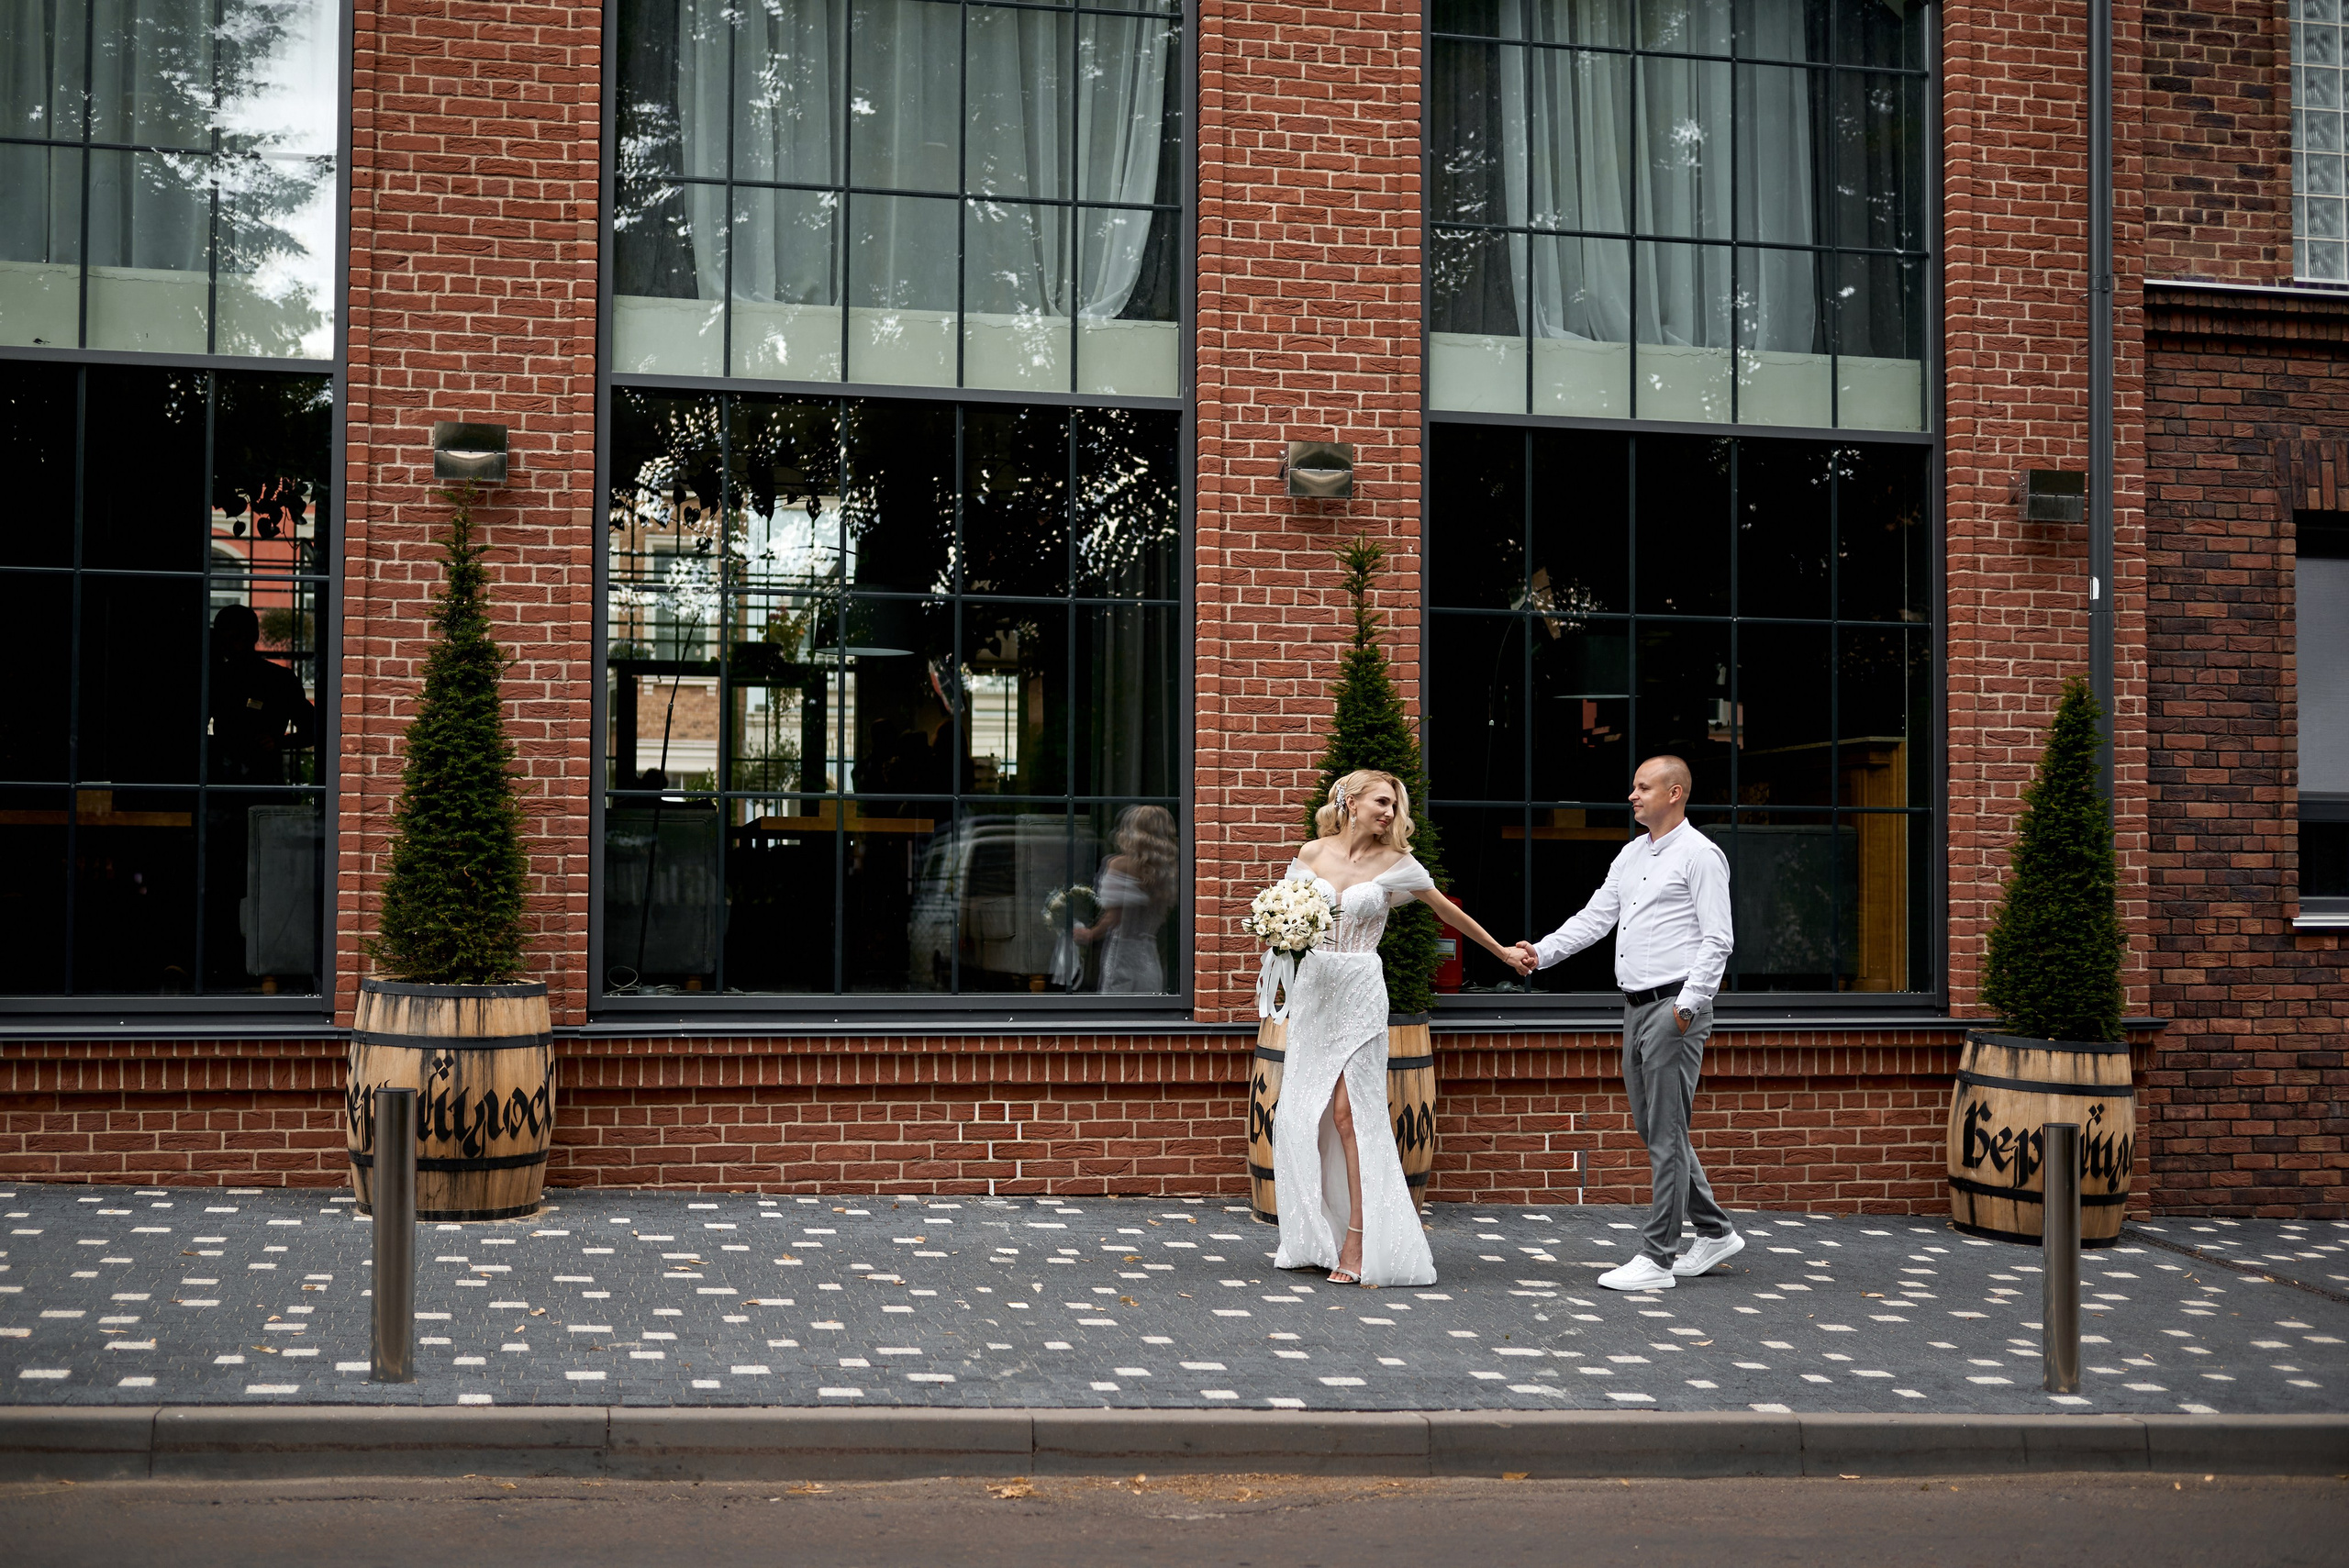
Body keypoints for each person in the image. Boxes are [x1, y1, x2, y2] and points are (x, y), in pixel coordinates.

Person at [1274, 769, 1532, 1286]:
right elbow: (1284, 919)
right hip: (1315, 991)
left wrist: (1502, 952)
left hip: (1361, 989)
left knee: (1352, 1114)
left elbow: (1449, 915)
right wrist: (1279, 946)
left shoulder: (1398, 864)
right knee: (1304, 1113)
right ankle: (1310, 1233)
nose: (1390, 812)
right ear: (1350, 801)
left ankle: (1359, 1237)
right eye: (1382, 801)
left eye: (1394, 805)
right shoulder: (1310, 854)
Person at [1514, 754, 1740, 1292]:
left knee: (1665, 1135)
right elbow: (1596, 917)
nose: (1633, 796)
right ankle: (1714, 1231)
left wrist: (1687, 1007)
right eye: (1633, 787)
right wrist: (1540, 954)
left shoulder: (1701, 856)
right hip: (1635, 1006)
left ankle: (1658, 1258)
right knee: (1657, 1129)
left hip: (1673, 1009)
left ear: (1675, 793)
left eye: (1643, 787)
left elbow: (1718, 939)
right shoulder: (1632, 853)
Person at [207, 605, 316, 784]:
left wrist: (279, 742)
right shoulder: (217, 677)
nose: (231, 646)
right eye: (225, 640)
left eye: (235, 638)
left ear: (253, 637)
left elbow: (315, 728)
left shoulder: (278, 679)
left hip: (256, 778)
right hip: (229, 781)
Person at [1076, 805, 1178, 994]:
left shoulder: (1119, 864)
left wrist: (1090, 934)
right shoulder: (1169, 870)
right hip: (1150, 955)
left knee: (1117, 1012)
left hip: (1122, 953)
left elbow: (1114, 917)